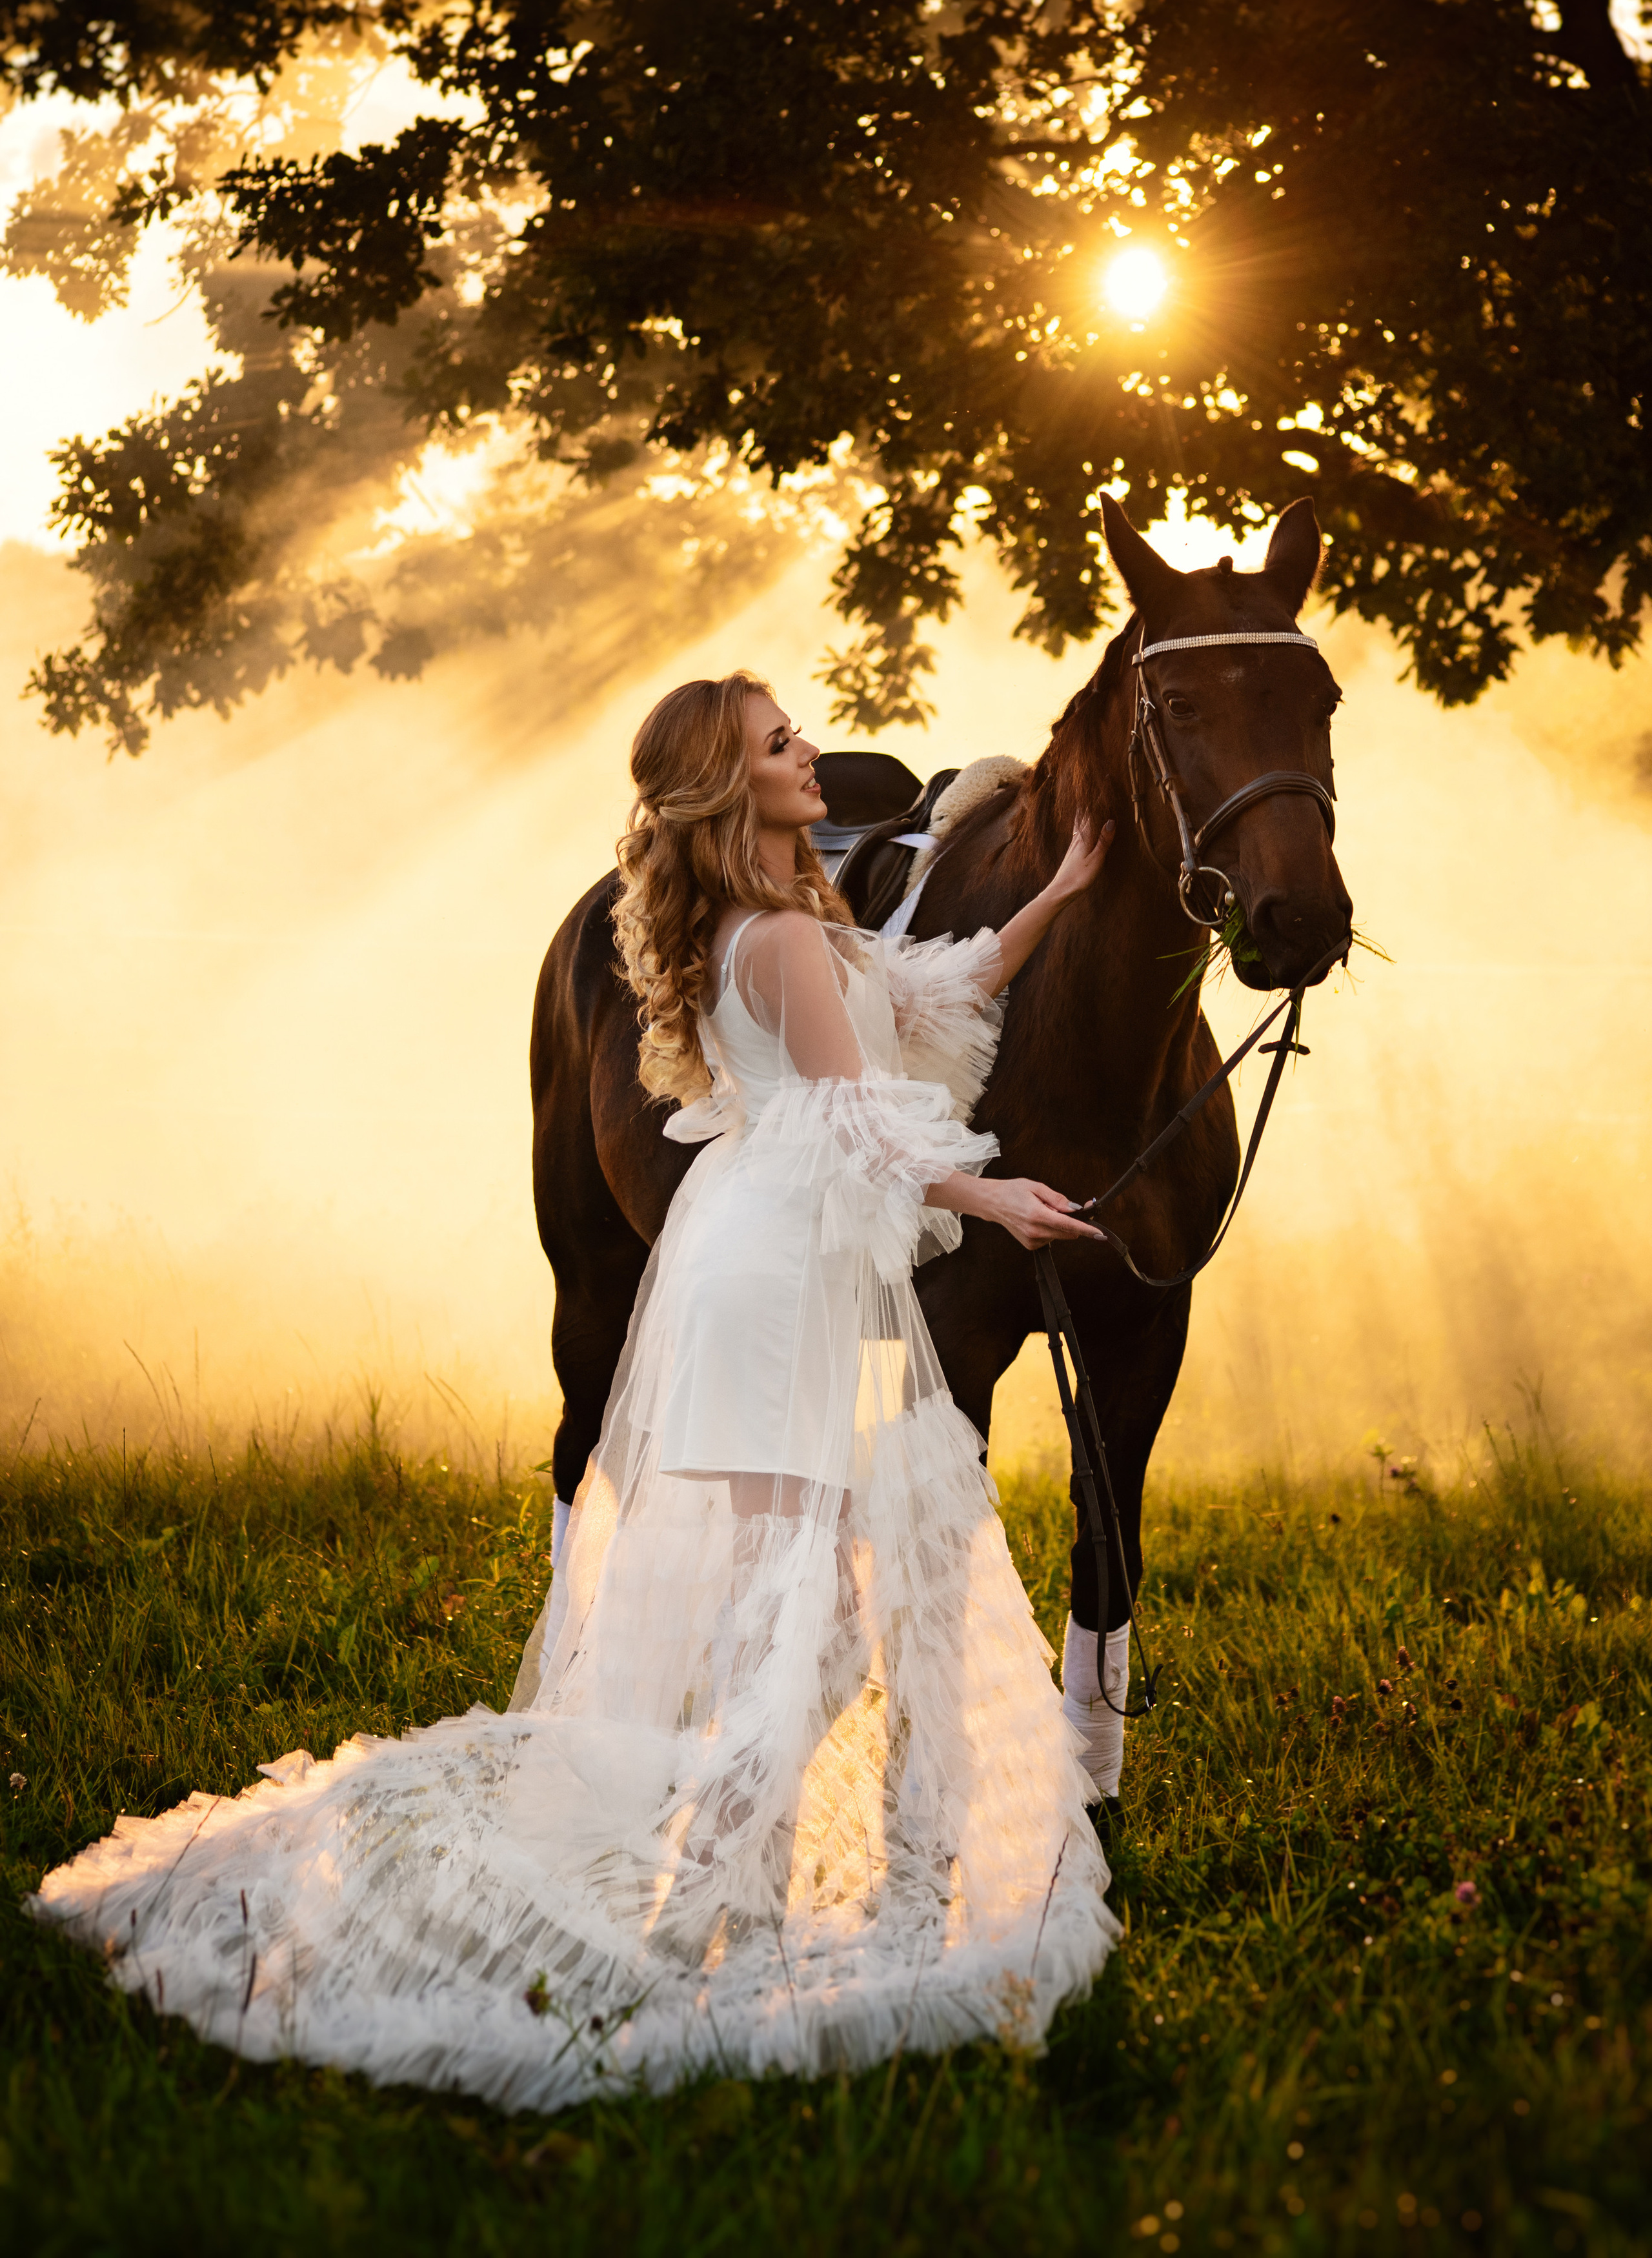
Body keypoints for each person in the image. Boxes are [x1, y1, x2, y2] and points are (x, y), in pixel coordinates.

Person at [28, 673, 1120, 2114]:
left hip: (767, 1260)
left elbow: (931, 992)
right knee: (798, 1613)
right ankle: (672, 1911)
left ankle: (699, 1893)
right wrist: (995, 1198)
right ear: (733, 795)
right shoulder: (783, 938)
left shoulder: (790, 929)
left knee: (795, 1614)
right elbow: (857, 1114)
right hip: (768, 1284)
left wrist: (1062, 893)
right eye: (777, 745)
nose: (808, 755)